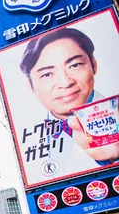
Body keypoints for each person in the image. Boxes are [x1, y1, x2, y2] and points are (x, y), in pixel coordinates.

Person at [19, 27, 119, 172]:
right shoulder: (27, 141)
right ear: (30, 85)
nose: (65, 83)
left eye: (74, 65)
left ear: (94, 64)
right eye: (47, 74)